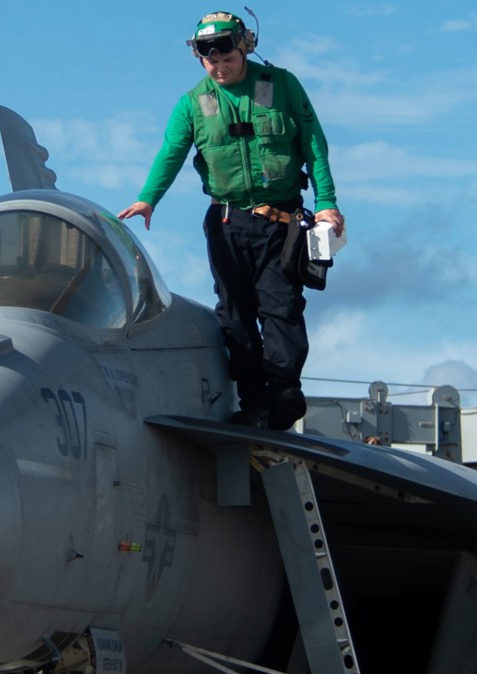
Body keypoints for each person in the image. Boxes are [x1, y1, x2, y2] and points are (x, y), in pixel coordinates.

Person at [118, 11, 345, 430]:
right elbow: (172, 152)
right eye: (211, 62)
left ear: (245, 49)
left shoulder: (282, 86)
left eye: (228, 59)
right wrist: (148, 199)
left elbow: (313, 143)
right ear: (201, 60)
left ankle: (283, 391)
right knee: (235, 313)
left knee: (281, 307)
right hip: (227, 222)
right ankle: (254, 401)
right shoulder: (193, 104)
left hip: (282, 222)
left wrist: (327, 201)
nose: (221, 68)